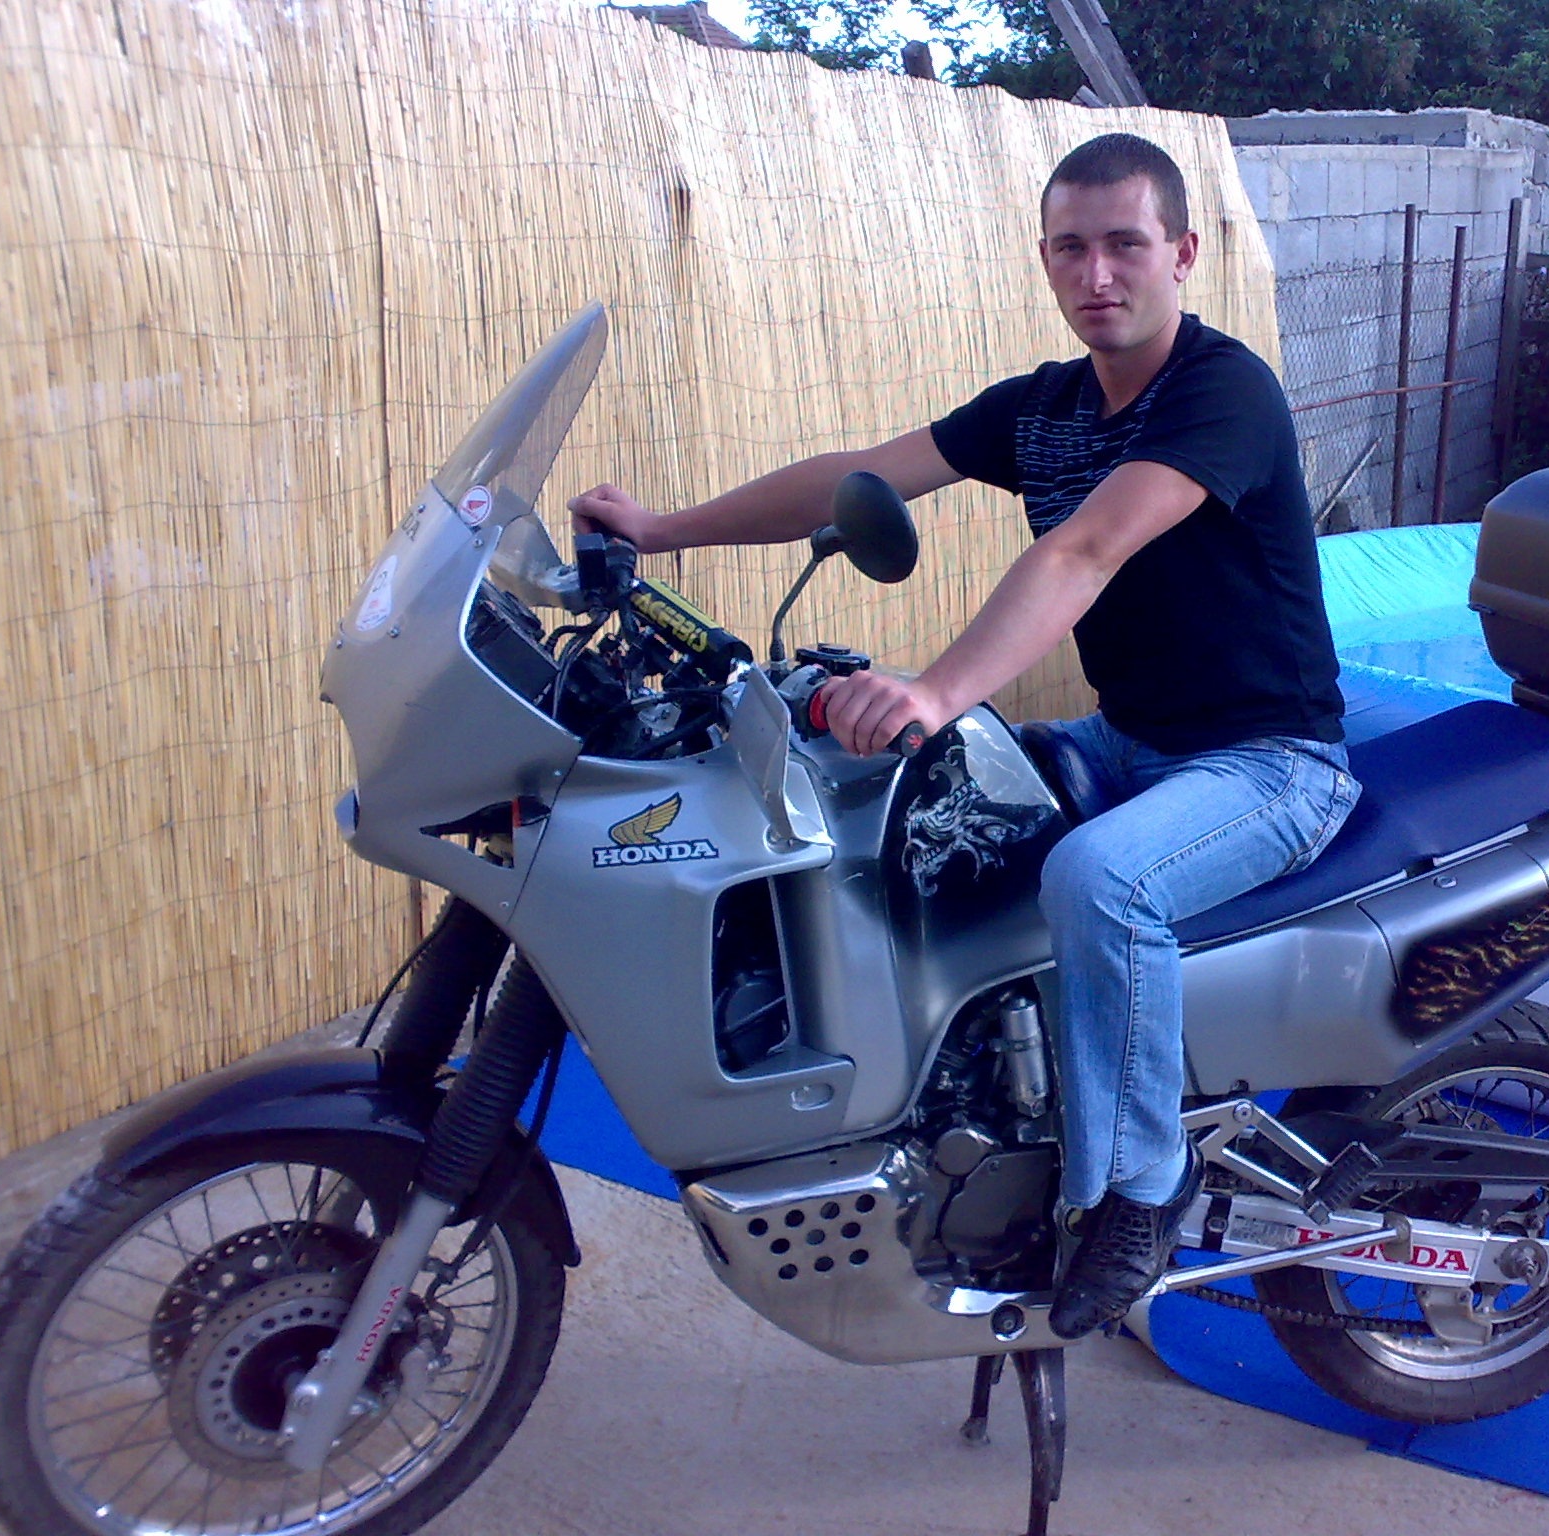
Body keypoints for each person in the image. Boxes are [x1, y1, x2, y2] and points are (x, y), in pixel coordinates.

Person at [569, 132, 1359, 1338]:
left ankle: (1137, 1188)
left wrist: (936, 688)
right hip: (1129, 740)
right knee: (911, 813)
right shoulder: (1042, 408)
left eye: (1124, 244)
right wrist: (661, 531)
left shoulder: (1222, 391)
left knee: (1098, 881)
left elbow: (1084, 549)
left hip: (1269, 763)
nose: (1097, 273)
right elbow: (856, 479)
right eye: (1070, 248)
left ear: (1182, 254)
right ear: (1045, 259)